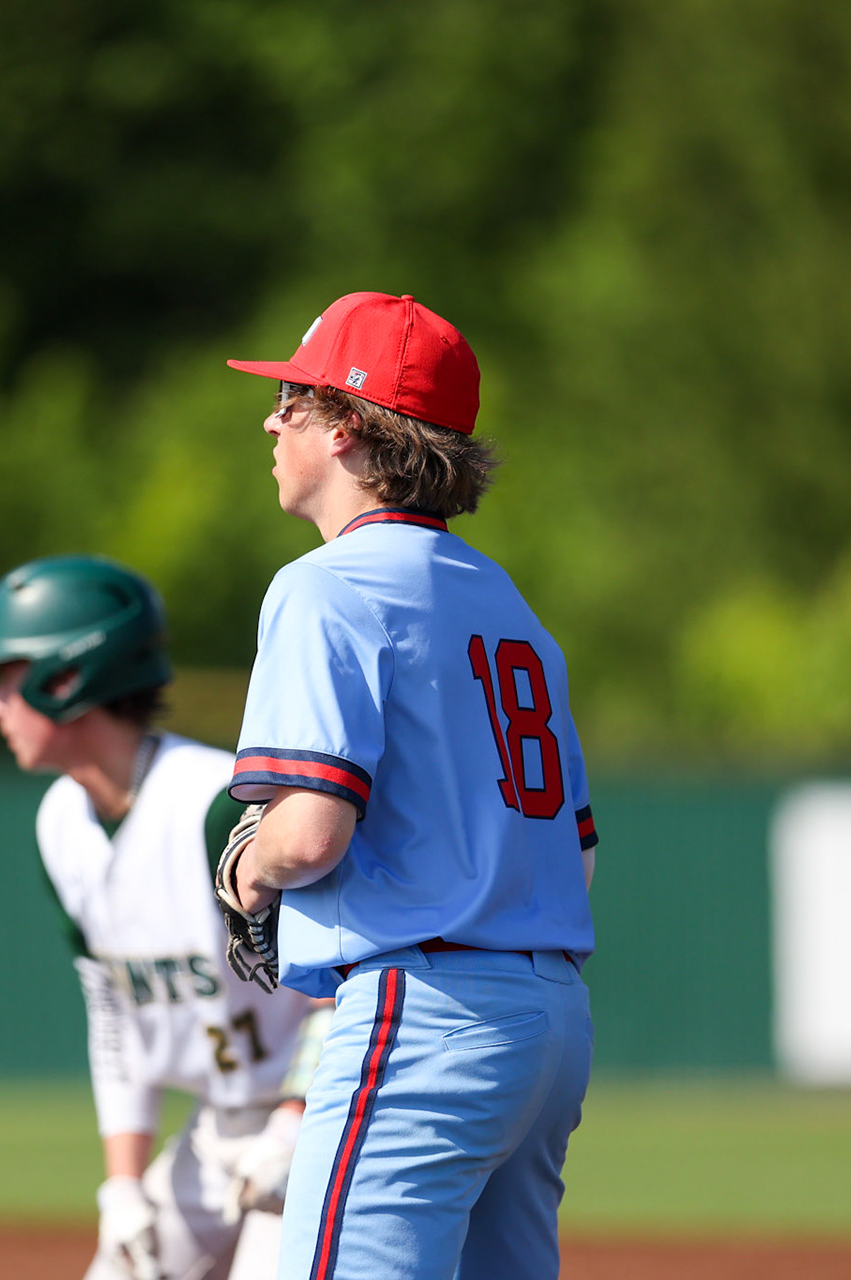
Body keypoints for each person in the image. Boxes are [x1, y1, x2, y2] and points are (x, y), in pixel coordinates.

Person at [215, 293, 597, 1280]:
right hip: (547, 1019)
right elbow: (579, 850)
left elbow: (308, 835)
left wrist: (247, 870)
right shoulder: (505, 600)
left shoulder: (326, 585)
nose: (271, 418)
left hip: (422, 1013)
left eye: (293, 400)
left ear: (347, 426)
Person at [0, 555, 326, 1280]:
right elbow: (113, 1010)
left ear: (66, 678)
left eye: (7, 676)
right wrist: (122, 1183)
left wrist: (295, 1125)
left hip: (310, 1124)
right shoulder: (61, 822)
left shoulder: (219, 804)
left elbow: (342, 984)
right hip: (215, 1131)